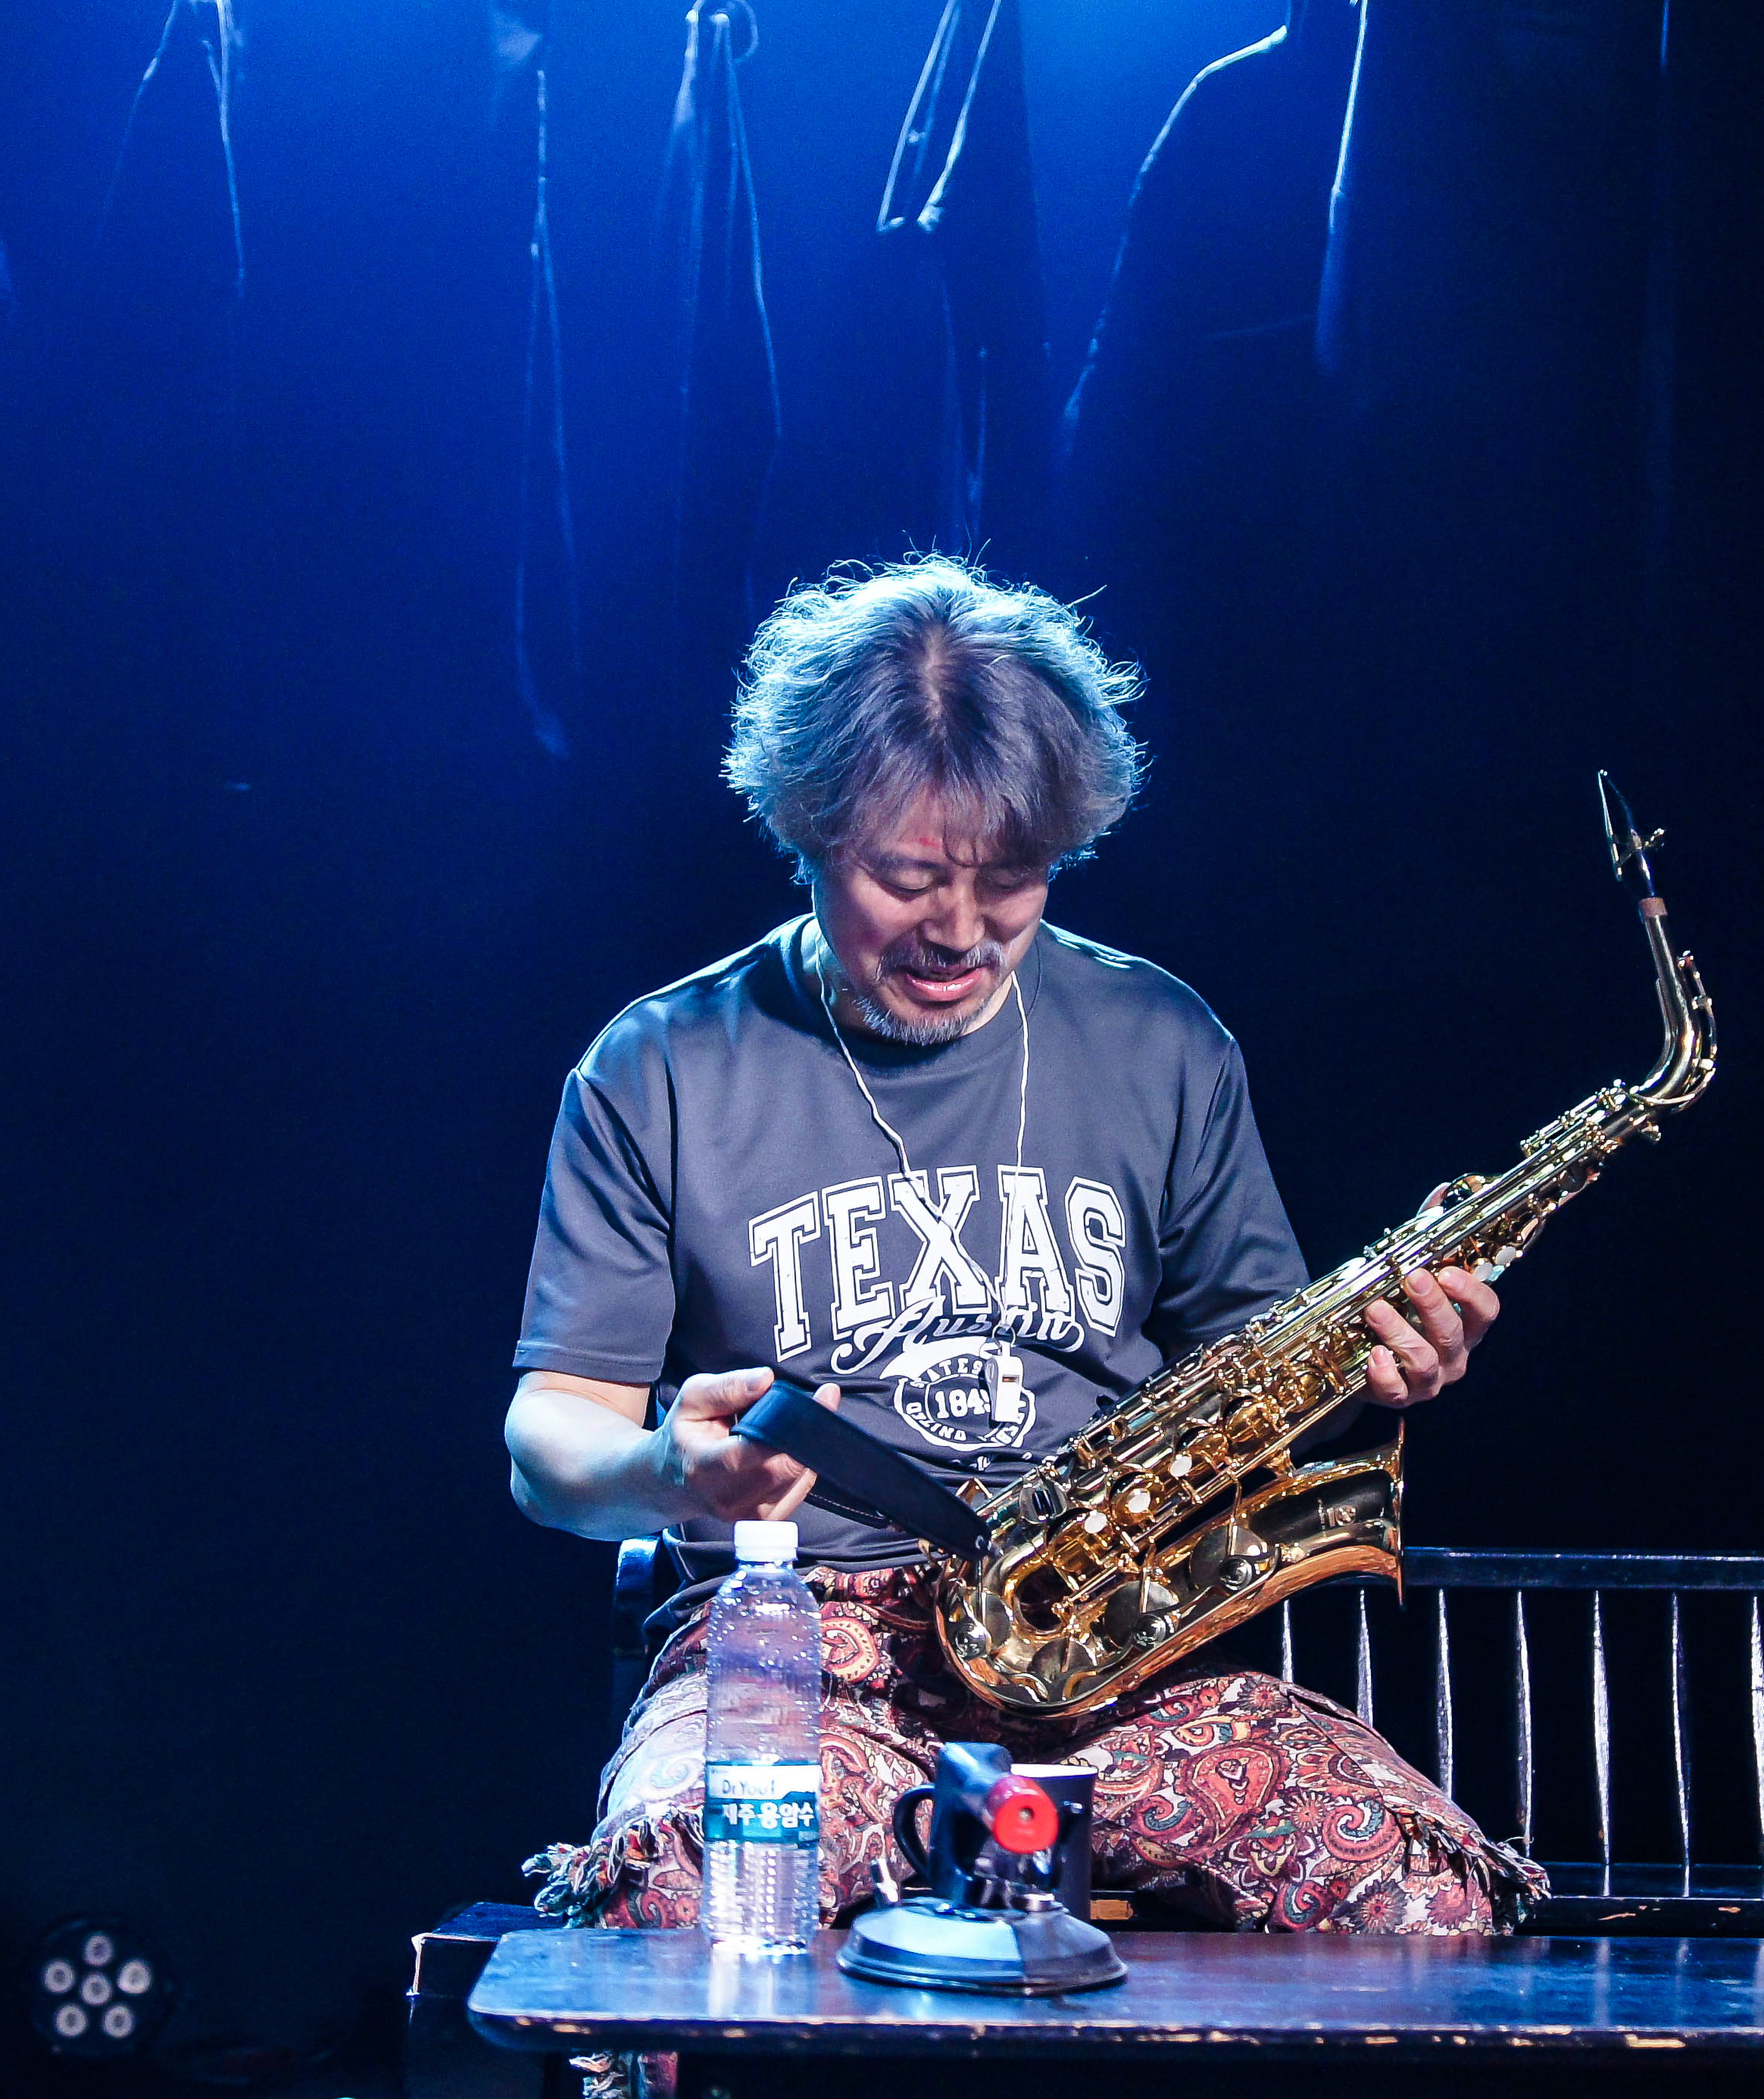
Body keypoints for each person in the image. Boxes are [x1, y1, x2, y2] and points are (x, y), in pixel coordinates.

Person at [507, 558, 1542, 1940]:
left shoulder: (1162, 1040)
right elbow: (546, 1443)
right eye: (906, 878)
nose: (959, 932)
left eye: (1011, 879)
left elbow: (1259, 1373)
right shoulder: (657, 1066)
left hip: (1123, 1650)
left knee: (1420, 1895)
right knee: (683, 1891)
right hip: (804, 1647)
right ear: (805, 830)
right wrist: (670, 1473)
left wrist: (1380, 1367)